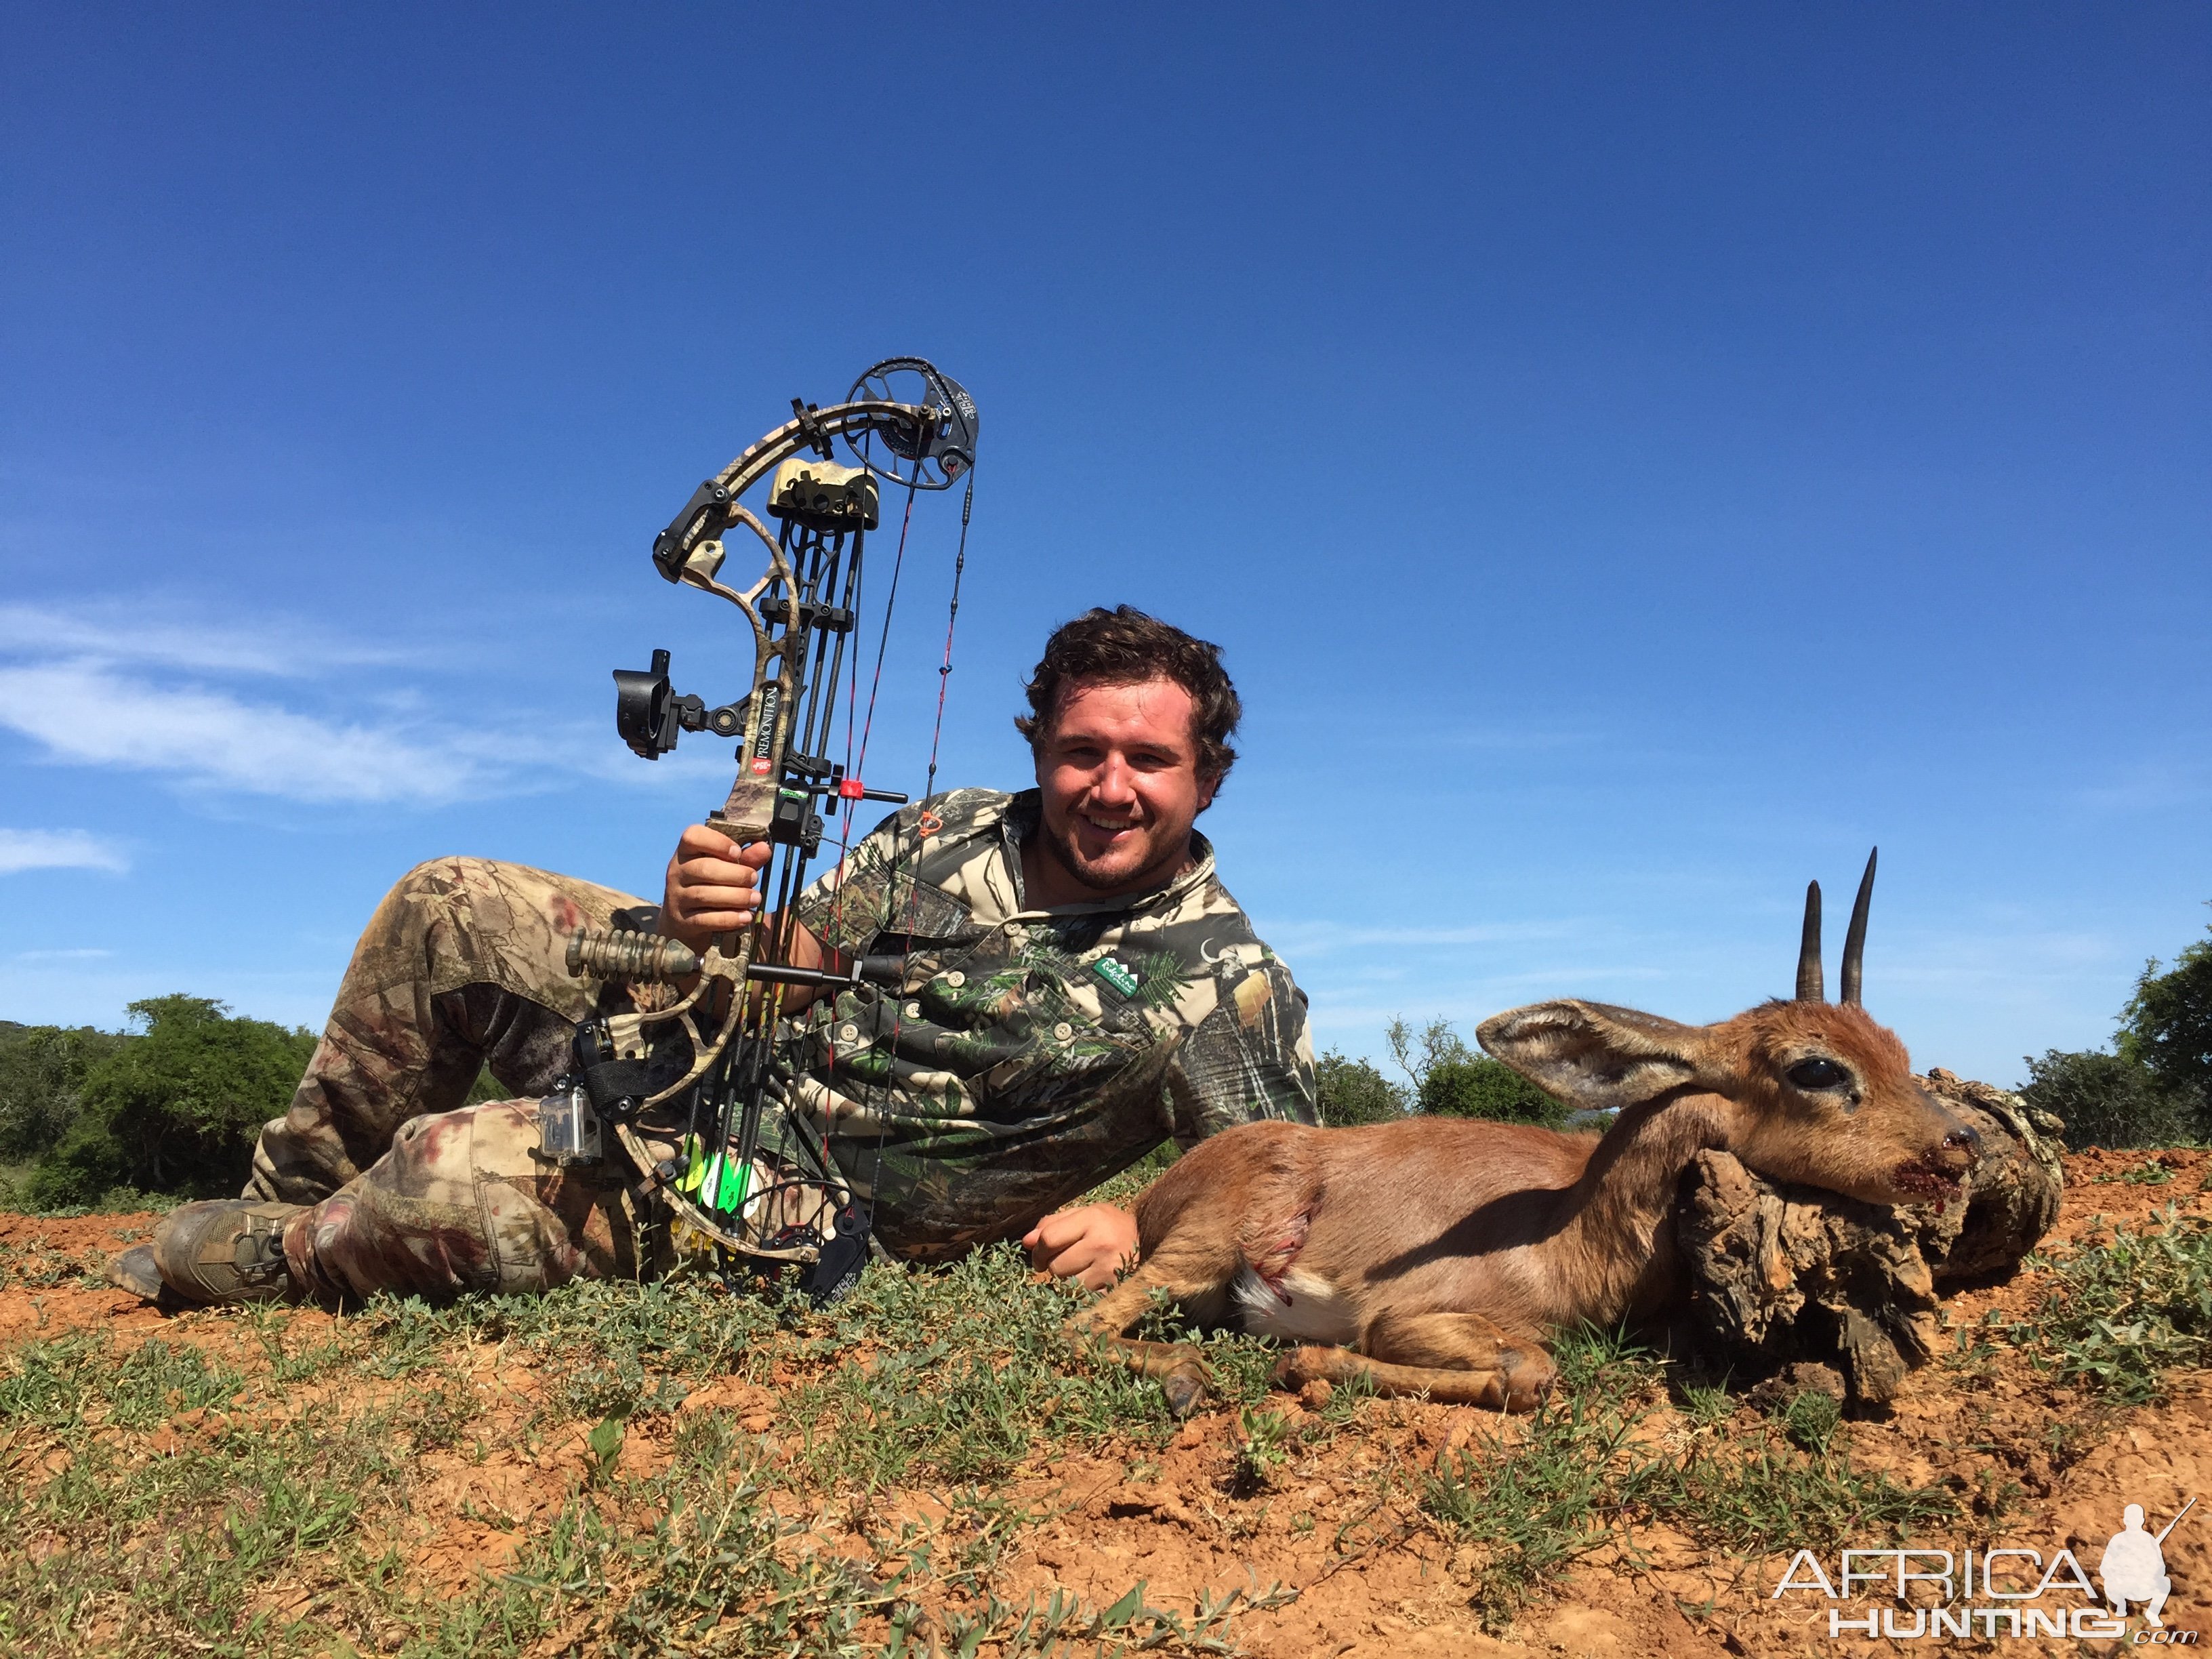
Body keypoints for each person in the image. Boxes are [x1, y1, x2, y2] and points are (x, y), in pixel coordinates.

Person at [109, 606, 1316, 1309]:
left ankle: (296, 1256)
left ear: (1204, 776)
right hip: (723, 1045)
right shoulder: (952, 826)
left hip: (783, 1206)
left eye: (1148, 761)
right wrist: (710, 916)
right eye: (1079, 749)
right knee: (450, 903)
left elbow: (1296, 1194)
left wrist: (1137, 1226)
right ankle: (281, 1192)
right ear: (1041, 745)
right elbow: (802, 950)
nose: (1108, 787)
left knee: (444, 1168)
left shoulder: (1229, 982)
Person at [2098, 1504, 2173, 1628]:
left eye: (2136, 1520)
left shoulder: (2149, 1540)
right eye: (2130, 1519)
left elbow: (2160, 1568)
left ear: (2142, 1521)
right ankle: (2119, 1609)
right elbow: (2105, 1567)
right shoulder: (2118, 1540)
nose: (2133, 1523)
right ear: (2125, 1521)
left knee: (2165, 1582)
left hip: (2141, 1585)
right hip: (2120, 1586)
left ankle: (2152, 1613)